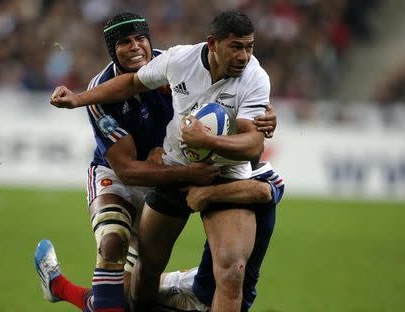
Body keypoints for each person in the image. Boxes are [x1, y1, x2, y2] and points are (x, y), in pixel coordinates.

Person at [43, 11, 277, 312]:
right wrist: (78, 99)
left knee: (232, 273)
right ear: (213, 44)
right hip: (154, 172)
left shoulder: (254, 78)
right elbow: (131, 98)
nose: (244, 56)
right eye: (236, 47)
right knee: (133, 272)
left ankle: (173, 285)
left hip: (220, 173)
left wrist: (208, 142)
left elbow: (253, 145)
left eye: (250, 47)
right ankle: (65, 287)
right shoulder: (178, 63)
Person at [35, 161, 284, 312]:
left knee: (123, 303)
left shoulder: (250, 177)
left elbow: (265, 191)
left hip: (204, 300)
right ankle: (59, 287)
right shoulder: (223, 169)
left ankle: (60, 288)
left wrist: (207, 194)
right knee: (123, 288)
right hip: (197, 278)